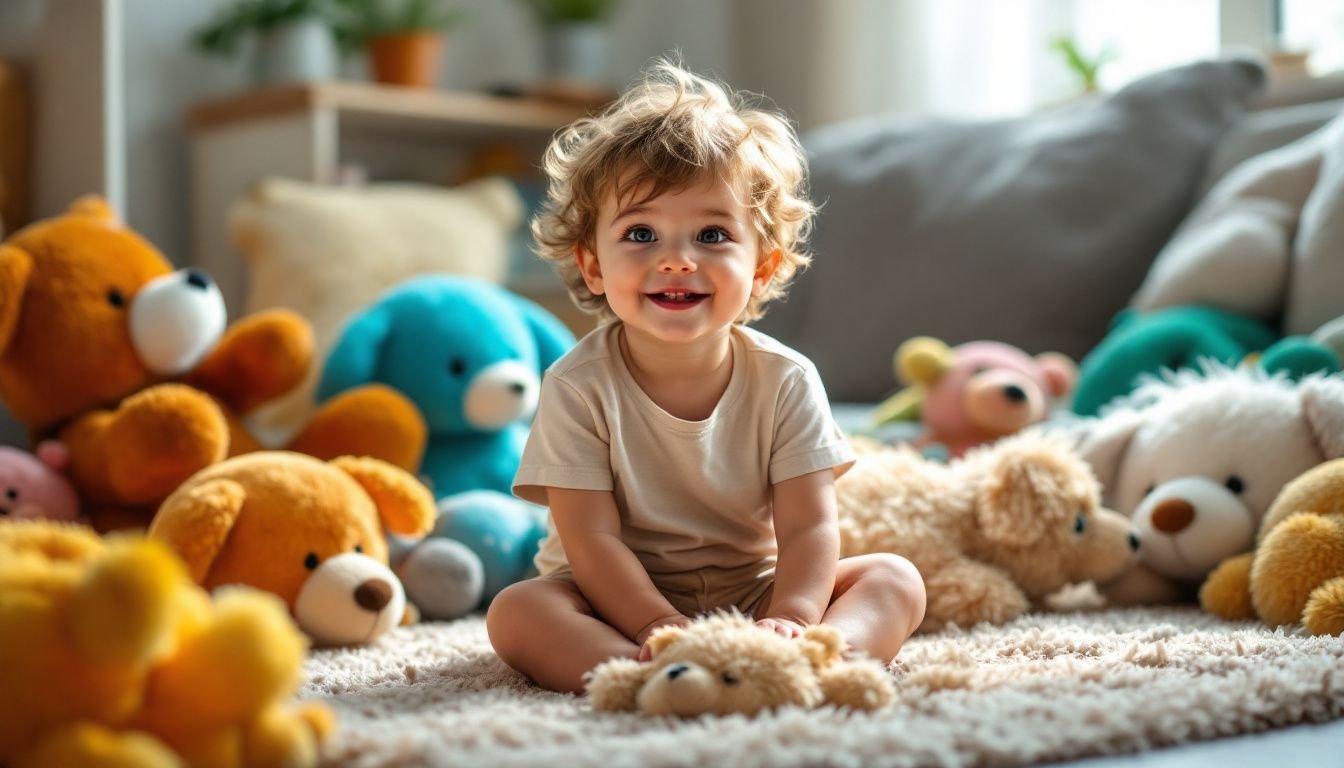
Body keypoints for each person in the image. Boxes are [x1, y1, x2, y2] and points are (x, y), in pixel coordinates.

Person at [487, 60, 926, 695]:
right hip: (610, 600)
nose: (675, 259)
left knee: (894, 578)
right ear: (593, 266)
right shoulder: (576, 385)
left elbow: (808, 527)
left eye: (712, 234)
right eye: (641, 233)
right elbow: (591, 538)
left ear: (762, 266)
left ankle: (809, 664)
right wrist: (654, 624)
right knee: (518, 612)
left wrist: (792, 617)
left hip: (753, 592)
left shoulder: (786, 379)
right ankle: (645, 678)